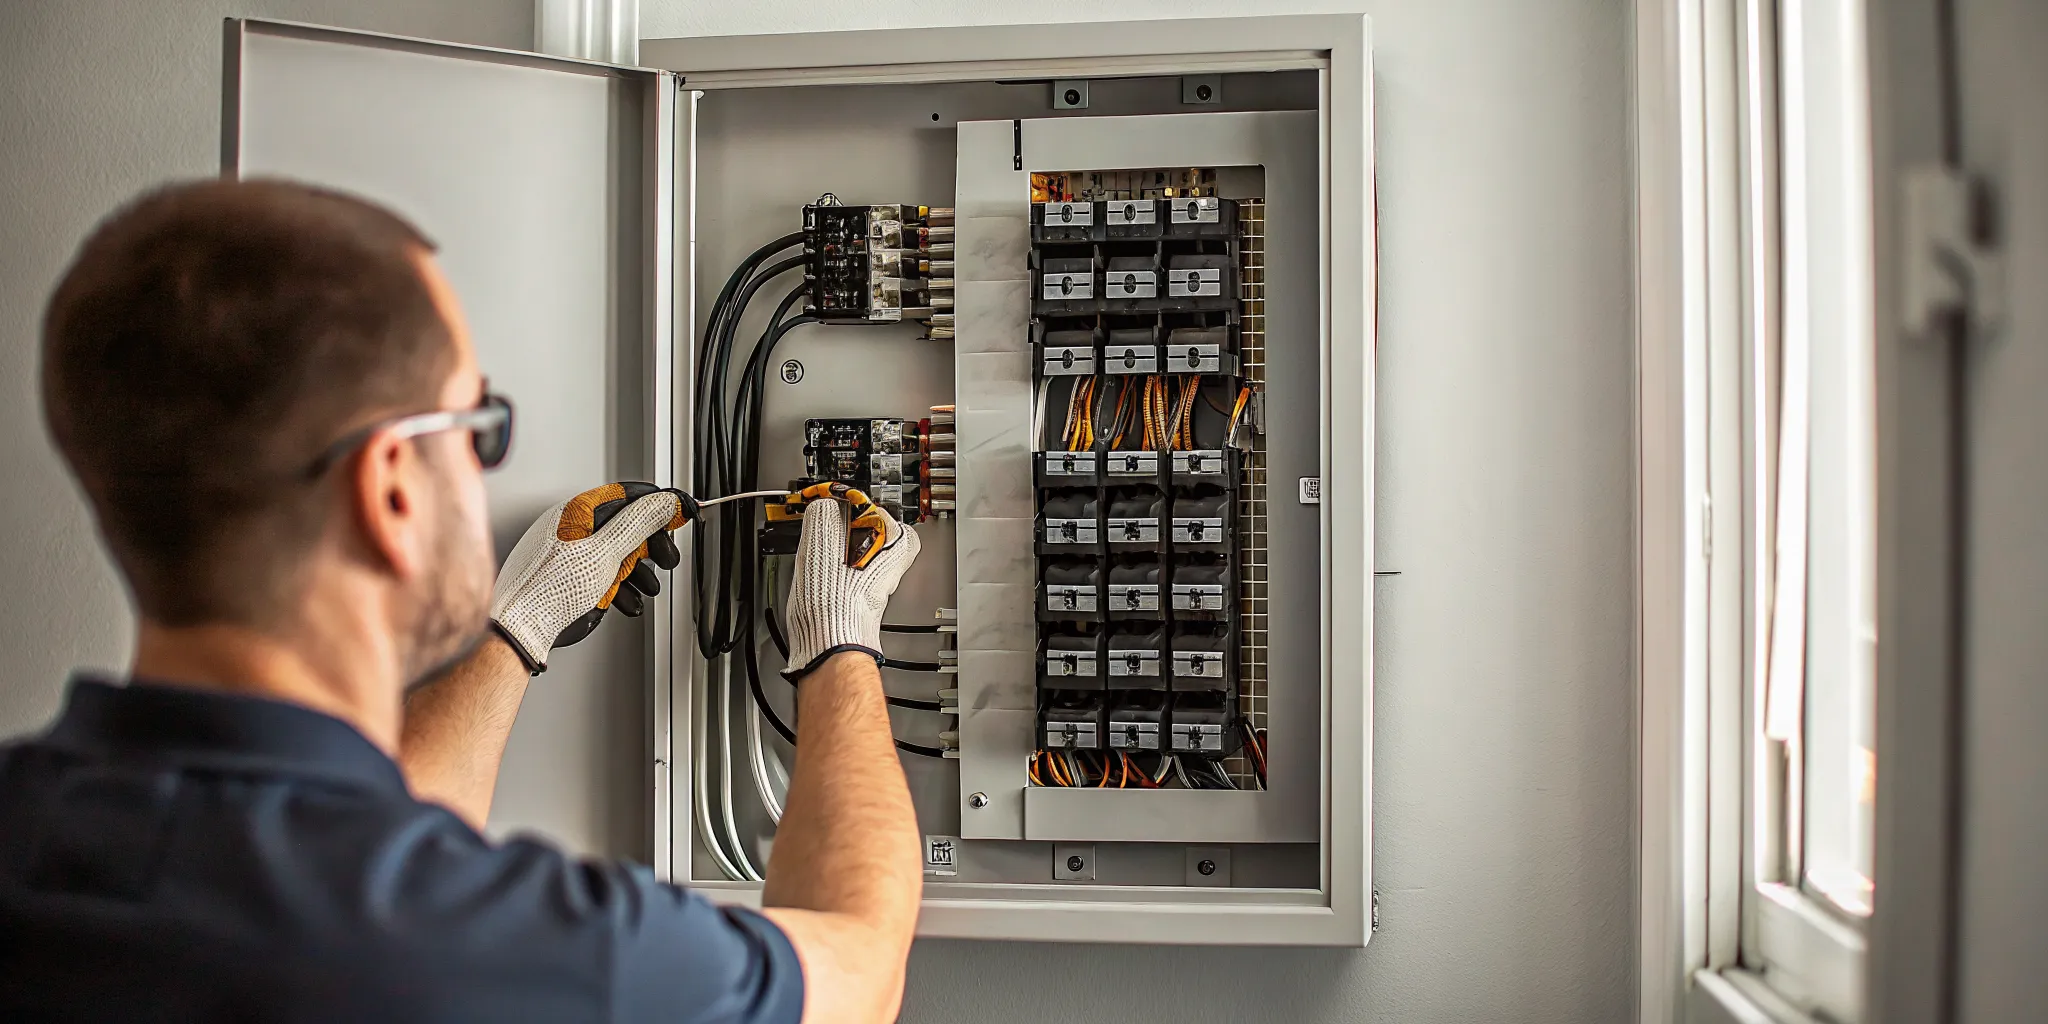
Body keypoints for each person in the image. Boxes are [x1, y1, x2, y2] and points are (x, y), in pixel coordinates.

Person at [0, 178, 924, 1023]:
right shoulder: (558, 955)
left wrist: (514, 627)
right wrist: (837, 641)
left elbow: (353, 859)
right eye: (479, 426)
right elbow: (862, 972)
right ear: (392, 486)